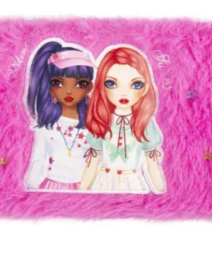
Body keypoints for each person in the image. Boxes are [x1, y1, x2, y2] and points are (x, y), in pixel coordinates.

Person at [80, 46, 166, 194]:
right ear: (101, 87)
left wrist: (162, 193)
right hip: (103, 183)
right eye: (111, 84)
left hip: (132, 183)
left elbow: (152, 164)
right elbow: (92, 163)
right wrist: (81, 193)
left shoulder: (144, 123)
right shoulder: (102, 119)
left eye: (136, 84)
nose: (124, 93)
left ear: (145, 89)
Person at [24, 38, 95, 190]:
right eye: (58, 83)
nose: (68, 91)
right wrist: (31, 190)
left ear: (89, 87)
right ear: (49, 86)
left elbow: (97, 162)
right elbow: (39, 159)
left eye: (80, 84)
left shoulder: (92, 125)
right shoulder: (47, 126)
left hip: (84, 189)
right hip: (52, 187)